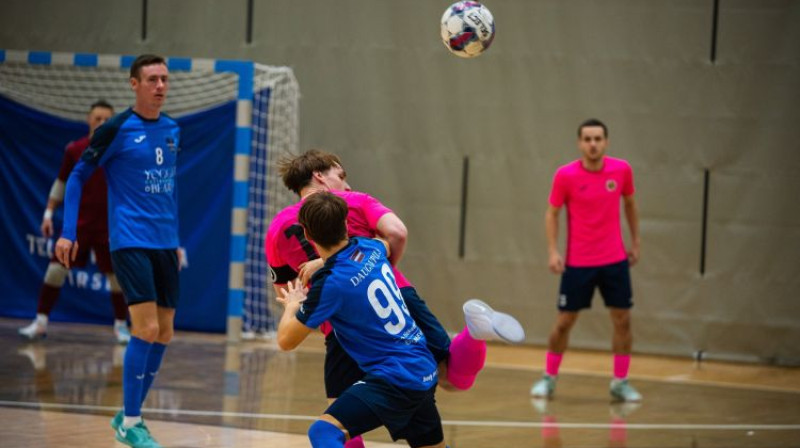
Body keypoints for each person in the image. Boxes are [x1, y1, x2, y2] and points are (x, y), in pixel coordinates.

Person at [267, 150, 524, 448]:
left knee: (334, 423)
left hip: (349, 332)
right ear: (320, 177)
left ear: (308, 233)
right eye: (341, 176)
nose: (347, 186)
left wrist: (297, 305)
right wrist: (376, 274)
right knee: (453, 379)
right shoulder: (364, 229)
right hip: (403, 325)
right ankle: (474, 335)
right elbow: (395, 234)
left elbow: (286, 315)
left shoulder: (280, 234)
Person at [55, 54, 180, 448]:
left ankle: (129, 415)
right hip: (130, 240)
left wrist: (175, 239)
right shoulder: (115, 128)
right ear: (134, 84)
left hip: (164, 243)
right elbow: (77, 176)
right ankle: (130, 422)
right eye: (151, 79)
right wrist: (66, 231)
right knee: (144, 329)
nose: (160, 86)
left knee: (165, 333)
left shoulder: (174, 129)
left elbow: (167, 190)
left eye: (164, 79)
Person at [277, 191, 448, 448]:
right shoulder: (372, 248)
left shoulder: (331, 284)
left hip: (394, 377)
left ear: (308, 235)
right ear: (346, 224)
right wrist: (323, 262)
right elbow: (387, 244)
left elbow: (286, 340)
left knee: (323, 433)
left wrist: (292, 305)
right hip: (421, 368)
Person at [530, 118, 642, 402]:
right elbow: (551, 213)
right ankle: (549, 378)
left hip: (614, 260)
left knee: (623, 320)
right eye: (587, 139)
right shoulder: (565, 176)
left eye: (598, 139)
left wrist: (635, 243)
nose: (593, 144)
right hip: (578, 263)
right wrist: (553, 251)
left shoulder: (622, 170)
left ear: (606, 142)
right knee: (565, 322)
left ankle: (620, 382)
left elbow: (630, 205)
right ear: (580, 143)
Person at [18, 100, 131, 345]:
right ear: (89, 120)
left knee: (117, 278)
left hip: (110, 227)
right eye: (97, 118)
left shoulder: (120, 152)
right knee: (55, 270)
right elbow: (61, 184)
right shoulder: (75, 150)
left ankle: (121, 327)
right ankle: (40, 323)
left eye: (106, 119)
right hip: (78, 224)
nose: (101, 123)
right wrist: (48, 213)